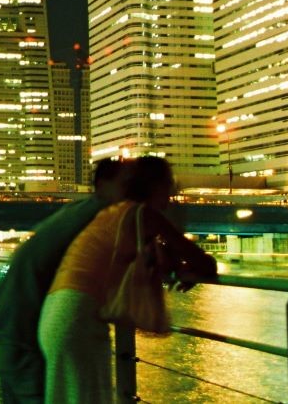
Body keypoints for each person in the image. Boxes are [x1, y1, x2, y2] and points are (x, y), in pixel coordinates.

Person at [38, 156, 217, 403]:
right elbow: (205, 262)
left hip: (58, 312)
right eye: (169, 185)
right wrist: (191, 267)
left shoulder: (116, 214)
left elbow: (165, 260)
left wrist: (178, 266)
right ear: (155, 186)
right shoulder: (142, 214)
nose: (172, 193)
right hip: (77, 317)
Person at [0, 159, 129, 403]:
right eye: (127, 183)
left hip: (10, 319)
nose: (134, 191)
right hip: (27, 329)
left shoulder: (77, 210)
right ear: (104, 184)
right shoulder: (103, 216)